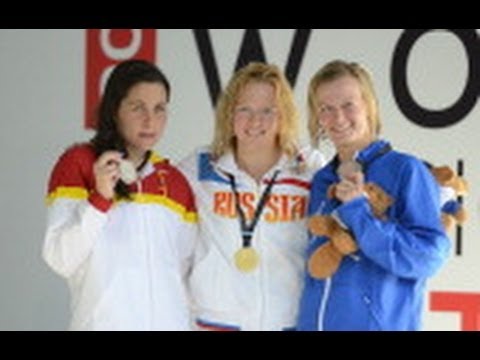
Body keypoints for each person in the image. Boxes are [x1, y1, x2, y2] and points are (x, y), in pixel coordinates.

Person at [297, 60, 451, 331]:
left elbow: (428, 256)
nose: (339, 118)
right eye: (326, 109)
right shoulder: (322, 180)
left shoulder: (406, 170)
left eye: (348, 105)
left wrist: (360, 213)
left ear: (369, 105)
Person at [43, 59, 197, 331]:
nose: (150, 120)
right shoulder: (79, 162)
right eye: (137, 107)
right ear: (115, 109)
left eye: (159, 109)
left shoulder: (176, 182)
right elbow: (61, 258)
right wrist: (99, 200)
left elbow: (186, 278)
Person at [178, 62, 325, 331]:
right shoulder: (199, 167)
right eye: (244, 109)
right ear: (228, 114)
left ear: (284, 116)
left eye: (268, 110)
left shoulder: (309, 167)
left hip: (287, 323)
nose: (256, 121)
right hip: (217, 323)